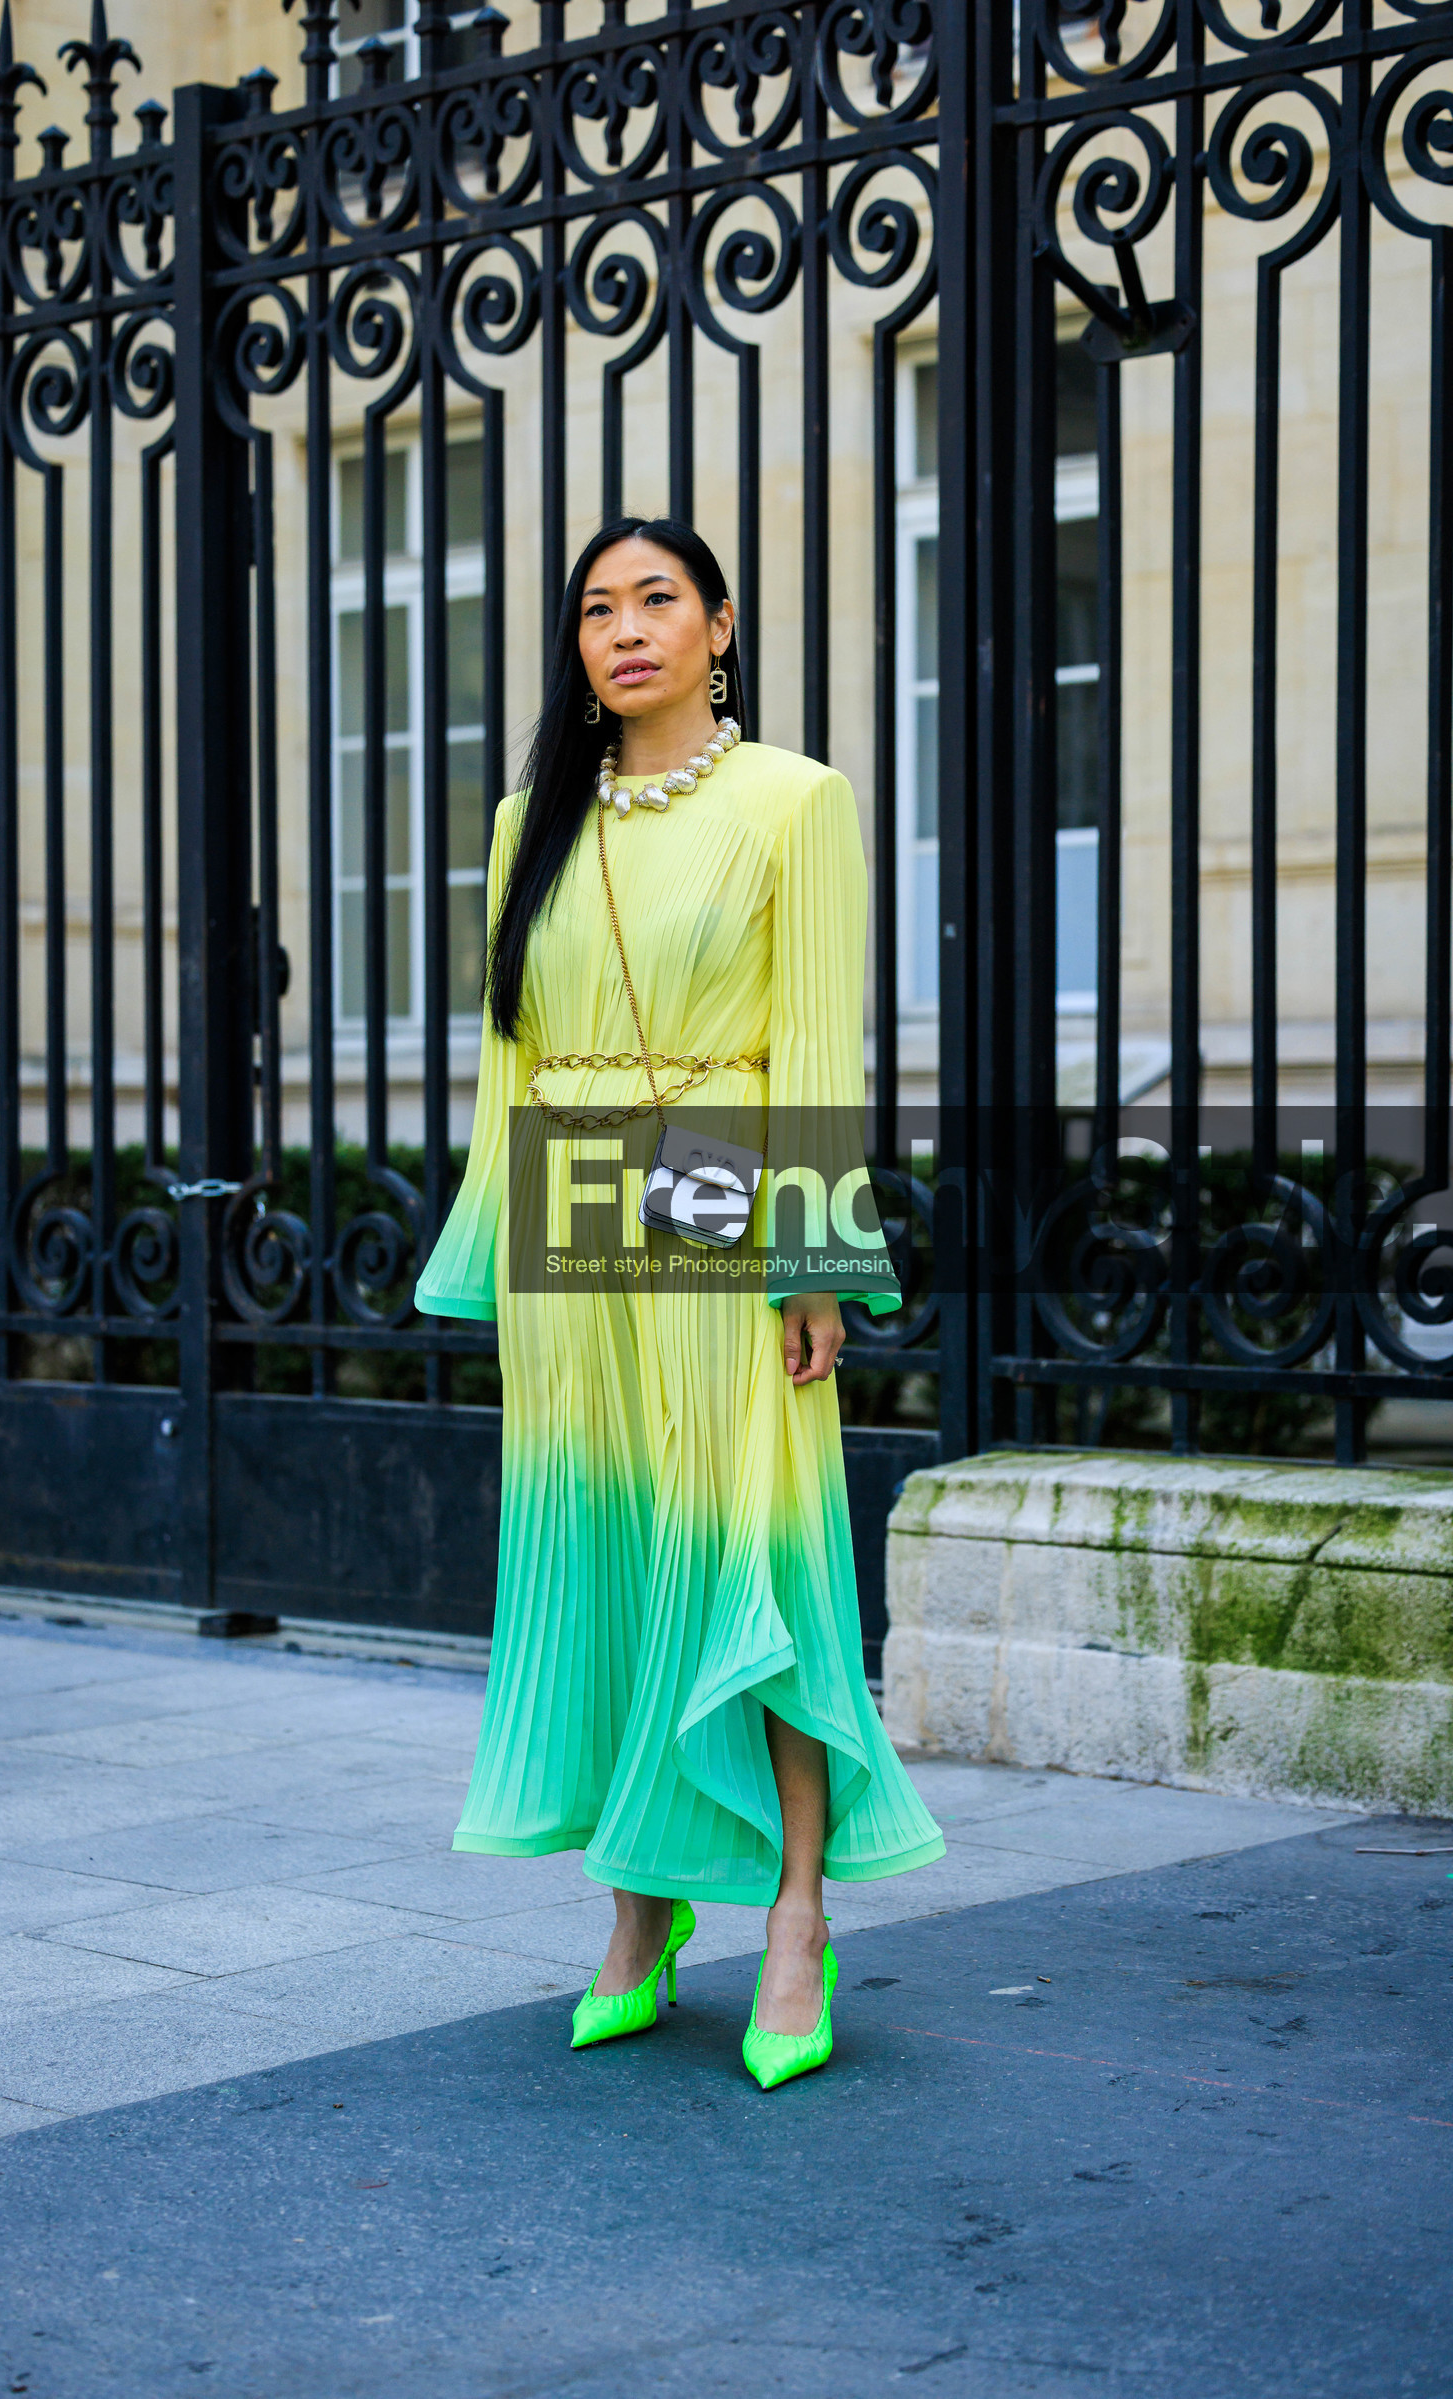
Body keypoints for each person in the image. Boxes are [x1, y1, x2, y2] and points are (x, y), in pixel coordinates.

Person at [414, 515, 945, 2088]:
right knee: (627, 1555)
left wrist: (819, 1261)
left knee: (756, 1558)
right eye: (596, 608)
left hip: (722, 1168)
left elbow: (820, 1044)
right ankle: (639, 1915)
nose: (625, 628)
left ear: (721, 623)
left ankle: (796, 1915)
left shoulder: (794, 799)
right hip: (576, 1187)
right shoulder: (532, 820)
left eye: (658, 599)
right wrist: (493, 1255)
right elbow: (510, 1056)